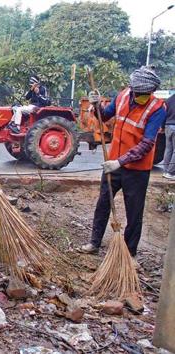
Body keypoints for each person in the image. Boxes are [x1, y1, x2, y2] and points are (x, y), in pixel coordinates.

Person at [80, 66, 166, 257]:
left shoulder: (157, 108)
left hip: (137, 170)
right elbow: (105, 116)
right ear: (132, 88)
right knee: (103, 203)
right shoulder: (123, 96)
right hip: (113, 164)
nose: (142, 96)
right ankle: (94, 242)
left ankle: (129, 253)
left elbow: (147, 144)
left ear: (151, 92)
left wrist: (121, 161)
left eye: (146, 93)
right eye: (139, 93)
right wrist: (96, 106)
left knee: (134, 212)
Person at [162, 93, 175, 179]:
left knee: (168, 149)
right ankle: (171, 173)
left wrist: (162, 126)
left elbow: (163, 114)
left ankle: (165, 171)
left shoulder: (168, 100)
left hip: (168, 125)